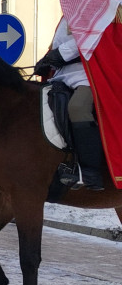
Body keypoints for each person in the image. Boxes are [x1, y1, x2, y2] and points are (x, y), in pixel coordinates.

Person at [35, 15, 104, 190]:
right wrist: (46, 61)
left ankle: (91, 172)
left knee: (78, 107)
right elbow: (58, 47)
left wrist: (60, 54)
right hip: (62, 75)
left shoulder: (93, 7)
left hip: (88, 74)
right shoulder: (65, 16)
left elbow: (91, 35)